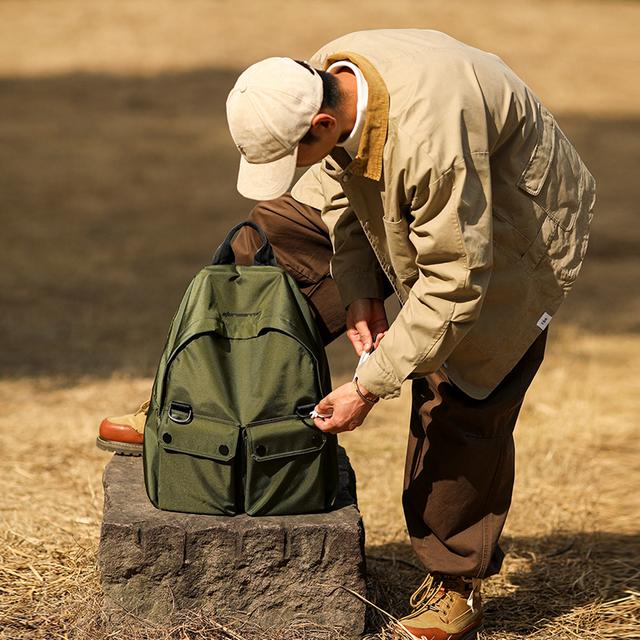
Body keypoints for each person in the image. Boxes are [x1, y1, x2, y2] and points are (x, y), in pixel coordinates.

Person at [99, 30, 595, 640]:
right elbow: (344, 188)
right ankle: (196, 402)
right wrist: (359, 286)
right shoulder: (318, 79)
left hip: (505, 217)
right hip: (412, 179)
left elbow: (455, 281)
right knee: (266, 245)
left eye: (290, 156)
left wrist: (368, 385)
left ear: (324, 123)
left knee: (465, 386)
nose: (288, 169)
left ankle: (455, 582)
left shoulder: (431, 140)